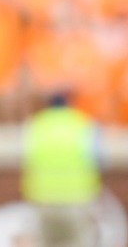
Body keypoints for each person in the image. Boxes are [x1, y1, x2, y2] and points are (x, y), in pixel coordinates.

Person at [21, 93, 101, 247]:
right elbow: (98, 158)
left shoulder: (36, 125)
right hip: (77, 199)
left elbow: (25, 158)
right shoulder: (82, 124)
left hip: (43, 199)